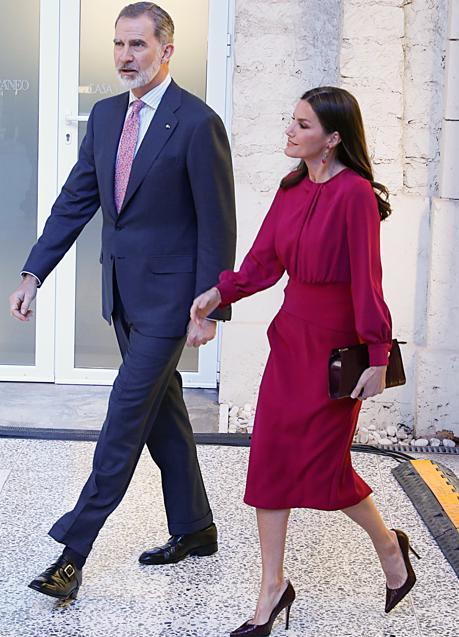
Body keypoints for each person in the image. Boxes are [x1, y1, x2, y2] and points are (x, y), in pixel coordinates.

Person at [8, 2, 236, 601]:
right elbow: (74, 201)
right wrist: (34, 271)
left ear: (166, 50)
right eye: (117, 45)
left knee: (123, 418)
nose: (124, 57)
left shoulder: (196, 122)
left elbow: (218, 222)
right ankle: (196, 528)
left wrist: (211, 306)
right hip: (122, 296)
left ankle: (73, 552)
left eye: (137, 45)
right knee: (166, 419)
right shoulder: (107, 116)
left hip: (173, 303)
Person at [190, 86, 419, 635]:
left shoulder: (356, 194)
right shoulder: (292, 187)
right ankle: (271, 588)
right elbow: (264, 260)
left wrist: (378, 354)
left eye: (303, 126)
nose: (289, 133)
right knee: (269, 460)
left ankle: (390, 548)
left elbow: (368, 279)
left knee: (323, 471)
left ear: (333, 138)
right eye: (290, 121)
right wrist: (219, 294)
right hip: (290, 342)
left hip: (337, 353)